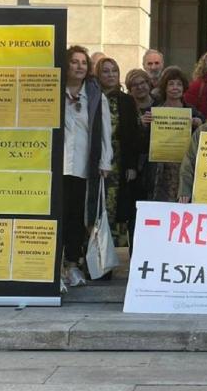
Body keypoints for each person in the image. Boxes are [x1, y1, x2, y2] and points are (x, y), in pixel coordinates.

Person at [62, 46, 113, 288]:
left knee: (77, 217)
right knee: (57, 215)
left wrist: (105, 161)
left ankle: (72, 265)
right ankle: (53, 267)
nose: (80, 66)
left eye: (83, 62)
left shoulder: (95, 96)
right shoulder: (52, 91)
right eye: (74, 61)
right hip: (57, 166)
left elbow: (105, 132)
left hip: (84, 167)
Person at [95, 57, 144, 266]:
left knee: (116, 208)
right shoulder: (93, 97)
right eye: (105, 71)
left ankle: (111, 256)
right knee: (97, 207)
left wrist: (132, 165)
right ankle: (96, 257)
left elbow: (133, 135)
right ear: (98, 74)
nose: (111, 75)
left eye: (114, 71)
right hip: (96, 162)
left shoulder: (126, 100)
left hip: (119, 161)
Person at [148, 66, 204, 202]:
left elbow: (206, 135)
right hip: (160, 168)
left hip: (184, 167)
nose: (175, 87)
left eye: (179, 84)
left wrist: (199, 124)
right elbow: (143, 141)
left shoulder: (191, 111)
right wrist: (144, 124)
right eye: (171, 84)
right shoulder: (155, 110)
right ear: (164, 87)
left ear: (184, 87)